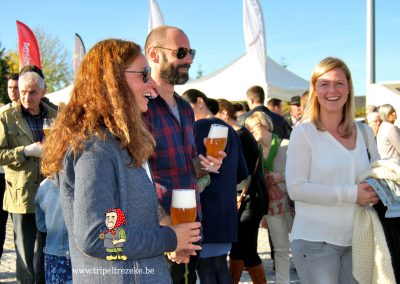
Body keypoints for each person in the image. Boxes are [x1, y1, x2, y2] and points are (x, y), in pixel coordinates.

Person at [40, 39, 202, 283]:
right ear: (113, 82)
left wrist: (165, 224)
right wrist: (170, 238)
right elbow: (98, 235)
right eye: (144, 74)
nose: (152, 84)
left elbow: (118, 211)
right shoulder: (96, 147)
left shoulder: (117, 141)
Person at [285, 57, 380, 284]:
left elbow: (377, 175)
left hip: (359, 240)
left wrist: (380, 190)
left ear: (348, 89)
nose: (332, 90)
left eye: (339, 83)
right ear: (315, 90)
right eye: (324, 84)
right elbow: (296, 189)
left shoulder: (365, 132)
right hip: (315, 243)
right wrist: (352, 194)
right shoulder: (304, 133)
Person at [144, 26, 224, 283]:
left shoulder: (185, 109)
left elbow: (187, 167)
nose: (189, 59)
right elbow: (134, 175)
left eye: (191, 53)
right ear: (154, 55)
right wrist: (165, 226)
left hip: (191, 223)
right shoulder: (140, 108)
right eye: (181, 52)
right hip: (158, 232)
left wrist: (207, 165)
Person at [182, 90, 248, 284]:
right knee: (220, 267)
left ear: (200, 102)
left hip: (203, 210)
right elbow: (242, 174)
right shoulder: (231, 131)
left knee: (205, 270)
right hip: (226, 210)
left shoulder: (196, 128)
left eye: (188, 107)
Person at [0, 69, 57, 283]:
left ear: (43, 91)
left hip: (51, 193)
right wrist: (25, 151)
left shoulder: (56, 114)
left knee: (46, 251)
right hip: (22, 195)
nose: (26, 97)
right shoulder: (6, 117)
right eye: (23, 92)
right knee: (25, 254)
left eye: (32, 92)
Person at [216, 99, 269, 284]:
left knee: (247, 249)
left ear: (224, 114)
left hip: (249, 200)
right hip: (247, 199)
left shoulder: (240, 136)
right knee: (239, 248)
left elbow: (244, 175)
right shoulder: (239, 134)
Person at [245, 111, 294, 284]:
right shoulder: (254, 151)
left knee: (302, 246)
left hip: (293, 205)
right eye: (249, 130)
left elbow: (303, 173)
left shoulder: (287, 145)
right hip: (271, 207)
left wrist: (281, 176)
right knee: (280, 250)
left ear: (264, 125)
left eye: (253, 128)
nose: (251, 133)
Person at [35, 178, 72, 284]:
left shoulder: (44, 185)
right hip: (78, 254)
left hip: (53, 254)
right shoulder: (84, 180)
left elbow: (41, 225)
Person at [0, 73, 20, 263]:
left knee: (19, 232)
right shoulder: (3, 114)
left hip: (19, 181)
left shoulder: (31, 114)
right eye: (9, 88)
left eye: (15, 88)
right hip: (2, 177)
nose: (12, 92)